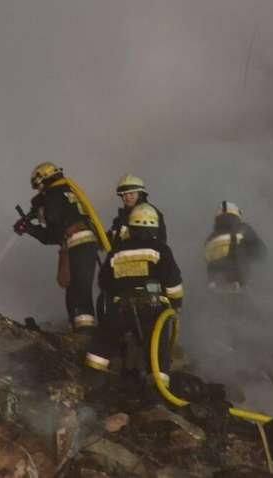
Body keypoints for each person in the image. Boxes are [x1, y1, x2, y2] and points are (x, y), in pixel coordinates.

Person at [85, 203, 183, 385]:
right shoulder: (160, 249)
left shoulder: (117, 251)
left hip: (121, 307)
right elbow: (173, 282)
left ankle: (92, 379)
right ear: (154, 227)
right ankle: (157, 390)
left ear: (131, 227)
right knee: (157, 347)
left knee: (104, 340)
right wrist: (175, 306)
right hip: (153, 308)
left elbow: (104, 281)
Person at [14, 162, 100, 332]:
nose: (38, 191)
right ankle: (79, 328)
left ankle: (85, 334)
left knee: (79, 291)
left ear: (44, 179)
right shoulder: (67, 192)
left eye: (38, 186)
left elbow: (52, 227)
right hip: (82, 245)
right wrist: (30, 227)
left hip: (78, 243)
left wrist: (36, 216)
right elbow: (53, 235)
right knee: (75, 291)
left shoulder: (54, 192)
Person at [205, 201, 266, 292]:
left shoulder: (209, 239)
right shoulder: (242, 229)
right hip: (238, 287)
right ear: (236, 214)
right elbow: (261, 253)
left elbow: (208, 263)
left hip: (215, 289)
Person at [108, 174, 167, 248]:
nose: (127, 197)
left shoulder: (150, 214)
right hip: (123, 258)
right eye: (124, 194)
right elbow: (113, 240)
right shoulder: (119, 220)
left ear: (140, 194)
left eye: (131, 193)